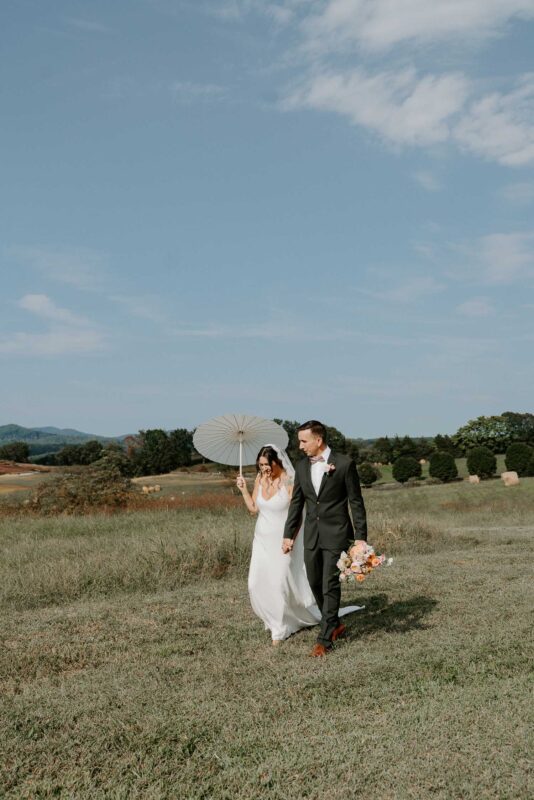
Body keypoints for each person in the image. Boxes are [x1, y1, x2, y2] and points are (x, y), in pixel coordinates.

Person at [237, 443, 362, 646]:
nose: (264, 468)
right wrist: (243, 490)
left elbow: (298, 512)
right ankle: (275, 619)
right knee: (255, 583)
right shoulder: (260, 479)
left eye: (267, 464)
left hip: (284, 541)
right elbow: (253, 509)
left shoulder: (289, 480)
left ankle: (279, 629)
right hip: (261, 541)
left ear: (277, 462)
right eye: (260, 465)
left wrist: (291, 538)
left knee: (279, 583)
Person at [282, 420, 368, 657]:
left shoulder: (344, 464)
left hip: (337, 534)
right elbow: (297, 503)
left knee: (330, 584)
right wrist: (288, 535)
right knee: (314, 582)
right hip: (311, 535)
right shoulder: (301, 466)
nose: (300, 446)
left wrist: (360, 538)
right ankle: (335, 623)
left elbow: (356, 502)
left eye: (303, 441)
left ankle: (325, 639)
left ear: (318, 440)